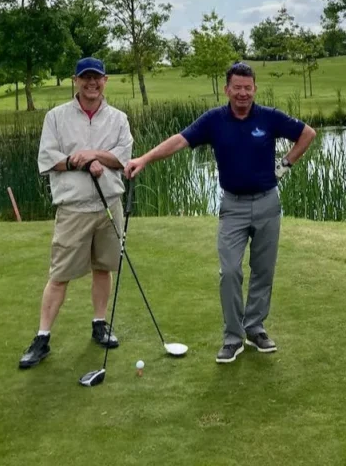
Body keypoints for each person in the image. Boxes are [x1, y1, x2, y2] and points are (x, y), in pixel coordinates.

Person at [124, 62, 317, 363]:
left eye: (247, 87)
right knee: (229, 271)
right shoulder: (214, 120)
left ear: (255, 88)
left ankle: (255, 328)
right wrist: (145, 159)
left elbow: (307, 133)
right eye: (236, 87)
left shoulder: (269, 117)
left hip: (268, 203)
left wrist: (286, 164)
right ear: (226, 89)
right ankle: (232, 337)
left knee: (263, 271)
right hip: (233, 206)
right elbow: (180, 140)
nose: (242, 93)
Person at [19, 57, 134, 369]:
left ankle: (100, 324)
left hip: (109, 205)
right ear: (76, 80)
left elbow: (123, 158)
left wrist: (94, 154)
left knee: (104, 267)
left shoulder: (118, 118)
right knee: (60, 275)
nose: (91, 83)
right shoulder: (56, 117)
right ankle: (42, 338)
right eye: (85, 78)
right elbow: (47, 159)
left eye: (97, 78)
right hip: (73, 208)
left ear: (105, 81)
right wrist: (77, 161)